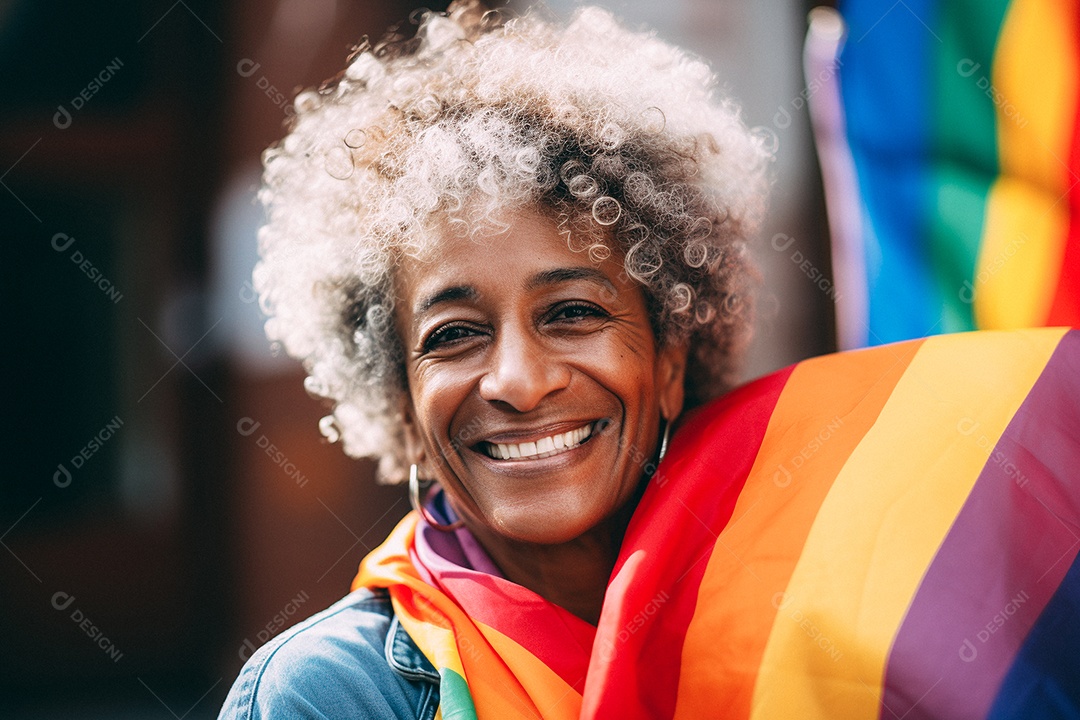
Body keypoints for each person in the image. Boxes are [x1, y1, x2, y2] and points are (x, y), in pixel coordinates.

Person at [220, 1, 1080, 718]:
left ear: (671, 358)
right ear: (401, 401)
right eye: (453, 334)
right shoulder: (332, 694)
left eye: (572, 313)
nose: (519, 381)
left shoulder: (813, 617)